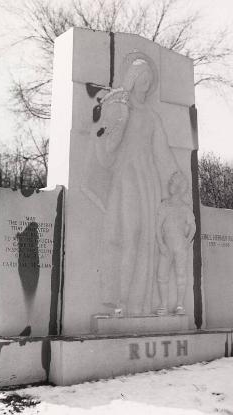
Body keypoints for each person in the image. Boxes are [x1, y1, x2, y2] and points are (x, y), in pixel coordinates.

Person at [88, 54, 179, 316]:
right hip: (126, 179)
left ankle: (138, 300)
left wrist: (176, 179)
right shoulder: (119, 107)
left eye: (150, 79)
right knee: (130, 236)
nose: (147, 84)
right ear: (133, 79)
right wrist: (121, 120)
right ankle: (121, 300)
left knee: (145, 240)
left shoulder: (152, 117)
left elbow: (162, 153)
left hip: (147, 182)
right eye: (143, 78)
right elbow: (108, 147)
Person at [156, 171, 196, 316]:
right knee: (162, 275)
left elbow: (193, 226)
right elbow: (158, 227)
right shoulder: (164, 206)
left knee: (181, 274)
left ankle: (179, 304)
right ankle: (163, 305)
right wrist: (160, 244)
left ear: (180, 187)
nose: (170, 185)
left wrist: (187, 241)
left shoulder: (185, 208)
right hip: (166, 245)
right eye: (171, 182)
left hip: (180, 245)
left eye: (173, 183)